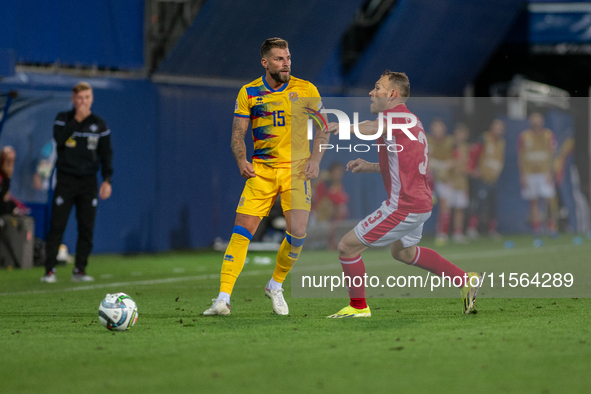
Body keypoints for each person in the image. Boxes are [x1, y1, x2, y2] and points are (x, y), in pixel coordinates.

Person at [325, 71, 482, 318]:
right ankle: (464, 279)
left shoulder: (395, 117)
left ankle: (358, 307)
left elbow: (372, 127)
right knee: (403, 252)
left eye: (377, 88)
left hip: (404, 206)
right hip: (419, 202)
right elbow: (402, 164)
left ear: (392, 94)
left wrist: (346, 126)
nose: (371, 92)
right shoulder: (410, 120)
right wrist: (369, 165)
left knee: (347, 247)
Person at [203, 38, 328, 316]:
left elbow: (323, 128)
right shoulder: (249, 92)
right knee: (241, 231)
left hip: (296, 171)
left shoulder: (306, 89)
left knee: (297, 233)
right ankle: (223, 299)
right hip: (262, 171)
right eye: (280, 59)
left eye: (288, 58)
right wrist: (241, 160)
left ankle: (275, 284)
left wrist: (316, 160)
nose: (286, 63)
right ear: (265, 62)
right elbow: (238, 134)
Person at [41, 82, 113, 283]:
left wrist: (107, 179)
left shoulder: (99, 124)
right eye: (79, 98)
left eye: (87, 98)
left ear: (92, 99)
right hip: (65, 180)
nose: (83, 102)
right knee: (57, 226)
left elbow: (106, 154)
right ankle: (49, 271)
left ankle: (79, 270)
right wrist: (76, 121)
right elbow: (59, 140)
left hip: (88, 182)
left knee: (87, 227)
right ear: (73, 99)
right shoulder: (63, 119)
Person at [517, 113, 557, 236]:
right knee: (533, 201)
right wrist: (522, 175)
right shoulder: (524, 136)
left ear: (542, 121)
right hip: (530, 173)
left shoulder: (548, 135)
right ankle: (537, 228)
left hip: (544, 173)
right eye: (534, 120)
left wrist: (550, 172)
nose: (536, 122)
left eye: (538, 120)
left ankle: (551, 227)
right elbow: (521, 156)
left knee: (549, 199)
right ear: (530, 121)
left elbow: (552, 154)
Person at [467, 119, 506, 239]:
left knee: (493, 204)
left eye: (501, 128)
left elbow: (500, 158)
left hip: (493, 177)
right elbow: (474, 153)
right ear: (492, 127)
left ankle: (492, 230)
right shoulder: (484, 138)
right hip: (482, 177)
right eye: (497, 127)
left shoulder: (501, 142)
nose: (498, 130)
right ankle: (472, 229)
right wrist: (472, 169)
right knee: (479, 204)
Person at [427, 119, 454, 245]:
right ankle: (430, 192)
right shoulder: (427, 139)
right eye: (435, 128)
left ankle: (442, 233)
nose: (437, 131)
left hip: (445, 177)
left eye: (440, 128)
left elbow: (455, 159)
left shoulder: (450, 142)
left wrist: (445, 166)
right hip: (429, 175)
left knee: (445, 206)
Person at [312, 161, 349, 249]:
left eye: (340, 172)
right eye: (337, 172)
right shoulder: (325, 182)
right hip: (316, 217)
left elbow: (343, 199)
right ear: (331, 172)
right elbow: (336, 198)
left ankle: (332, 242)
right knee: (340, 208)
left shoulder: (337, 184)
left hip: (328, 218)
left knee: (341, 208)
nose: (339, 175)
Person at [449, 123, 470, 243]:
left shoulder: (466, 148)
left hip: (462, 182)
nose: (462, 136)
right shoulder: (449, 146)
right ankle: (442, 233)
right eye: (460, 133)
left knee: (460, 208)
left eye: (464, 134)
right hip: (449, 181)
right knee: (445, 208)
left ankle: (458, 233)